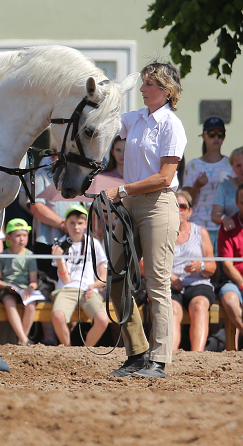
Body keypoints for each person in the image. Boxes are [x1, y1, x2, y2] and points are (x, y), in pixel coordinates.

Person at [104, 61, 187, 379]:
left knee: (156, 282)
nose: (142, 90)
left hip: (157, 205)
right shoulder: (134, 119)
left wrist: (121, 189)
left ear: (166, 91)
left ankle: (159, 358)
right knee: (116, 278)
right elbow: (104, 121)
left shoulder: (172, 125)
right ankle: (137, 352)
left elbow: (166, 178)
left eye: (149, 84)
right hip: (129, 204)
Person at [51, 204, 109, 348]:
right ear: (65, 224)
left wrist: (94, 285)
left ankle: (86, 351)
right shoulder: (60, 244)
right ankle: (68, 349)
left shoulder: (93, 243)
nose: (76, 227)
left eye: (80, 223)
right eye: (72, 223)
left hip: (88, 290)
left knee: (103, 319)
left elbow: (104, 275)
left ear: (85, 224)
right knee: (58, 316)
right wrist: (58, 259)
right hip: (66, 289)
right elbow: (66, 280)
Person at [170, 190, 216, 351]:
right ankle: (171, 356)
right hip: (170, 283)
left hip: (197, 282)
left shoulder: (200, 232)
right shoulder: (162, 233)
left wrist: (200, 265)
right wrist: (168, 276)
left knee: (199, 305)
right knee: (172, 309)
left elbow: (212, 267)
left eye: (182, 206)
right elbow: (145, 264)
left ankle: (197, 356)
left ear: (190, 211)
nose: (177, 210)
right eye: (174, 206)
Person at [183, 117, 233, 252]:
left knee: (222, 268)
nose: (216, 138)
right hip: (198, 225)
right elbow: (186, 202)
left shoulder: (231, 164)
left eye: (220, 134)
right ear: (204, 136)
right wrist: (197, 186)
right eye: (211, 134)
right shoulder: (193, 165)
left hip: (224, 224)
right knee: (203, 268)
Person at [0, 218, 39, 346]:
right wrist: (7, 286)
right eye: (18, 235)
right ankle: (24, 339)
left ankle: (22, 339)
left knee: (31, 305)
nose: (22, 239)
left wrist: (30, 289)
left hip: (24, 290)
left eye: (24, 235)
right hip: (7, 289)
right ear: (8, 237)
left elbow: (34, 281)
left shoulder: (30, 256)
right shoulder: (3, 256)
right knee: (9, 302)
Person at [216, 184, 243, 342]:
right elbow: (227, 265)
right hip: (234, 280)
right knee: (229, 299)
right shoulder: (228, 227)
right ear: (237, 203)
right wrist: (241, 283)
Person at [211, 146, 243, 235]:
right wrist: (224, 218)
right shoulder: (224, 187)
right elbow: (214, 215)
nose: (242, 169)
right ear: (232, 167)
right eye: (238, 165)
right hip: (232, 237)